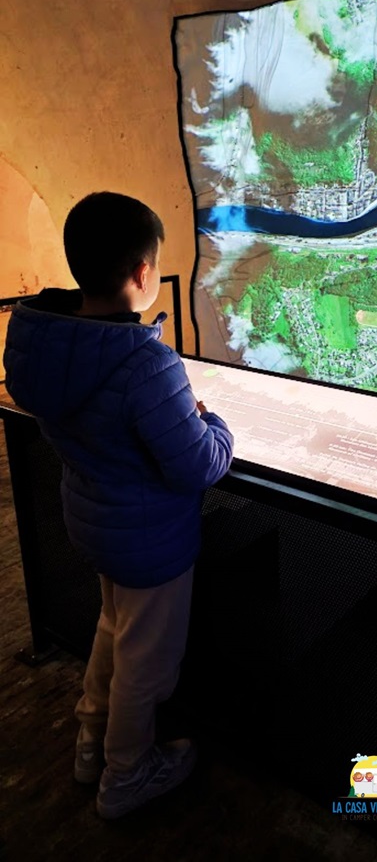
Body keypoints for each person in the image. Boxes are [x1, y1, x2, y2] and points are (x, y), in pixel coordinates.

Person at [3, 191, 234, 820]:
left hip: (95, 523)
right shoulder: (144, 364)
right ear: (142, 272)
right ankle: (126, 774)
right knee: (146, 664)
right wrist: (214, 424)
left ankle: (90, 744)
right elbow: (199, 464)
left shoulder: (44, 342)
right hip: (150, 541)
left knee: (112, 631)